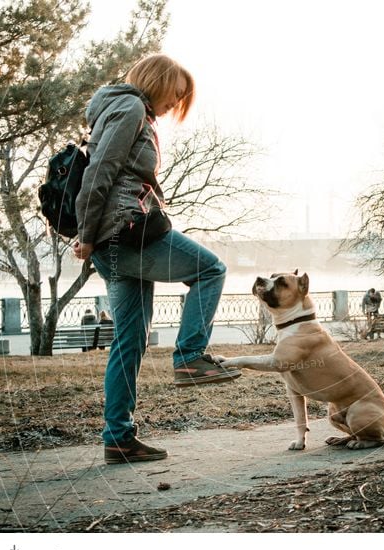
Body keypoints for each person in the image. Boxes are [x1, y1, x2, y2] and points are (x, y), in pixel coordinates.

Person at [73, 53, 240, 465]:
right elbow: (100, 172)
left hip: (114, 241)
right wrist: (87, 233)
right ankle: (189, 357)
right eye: (175, 94)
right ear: (158, 81)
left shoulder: (119, 109)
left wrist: (90, 235)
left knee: (128, 342)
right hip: (125, 234)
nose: (175, 105)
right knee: (210, 269)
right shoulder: (130, 107)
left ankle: (118, 439)